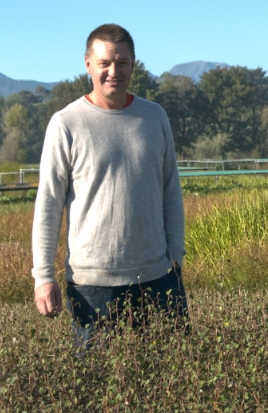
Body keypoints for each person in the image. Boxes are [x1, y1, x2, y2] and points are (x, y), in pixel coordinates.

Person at [31, 23, 188, 345]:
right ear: (88, 64)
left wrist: (176, 255)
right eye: (104, 63)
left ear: (134, 64)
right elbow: (48, 204)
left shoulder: (155, 117)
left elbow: (170, 189)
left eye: (122, 63)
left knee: (174, 376)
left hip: (158, 276)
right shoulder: (66, 123)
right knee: (97, 382)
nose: (113, 71)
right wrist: (43, 276)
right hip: (93, 284)